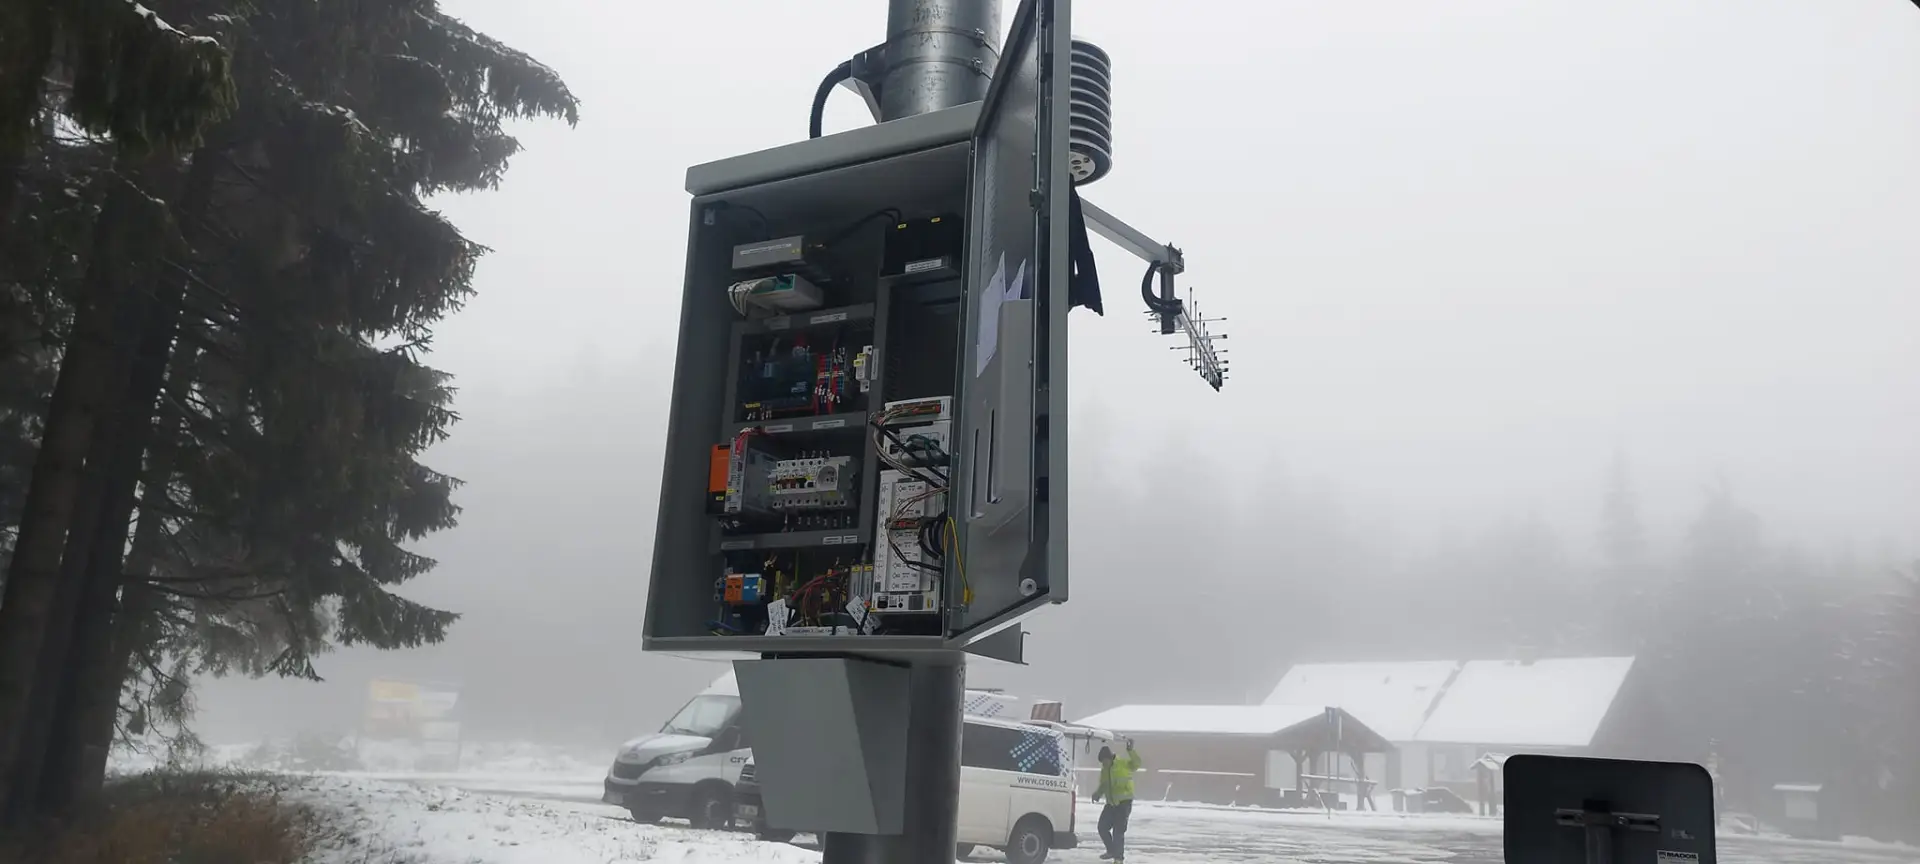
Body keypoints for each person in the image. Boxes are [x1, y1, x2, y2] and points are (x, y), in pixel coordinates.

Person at [1092, 738, 1142, 862]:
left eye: (1104, 761)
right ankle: (1111, 850)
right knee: (1102, 827)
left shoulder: (1122, 763)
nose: (1103, 764)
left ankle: (1118, 859)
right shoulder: (1104, 770)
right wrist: (1097, 794)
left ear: (1109, 758)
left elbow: (1137, 763)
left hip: (1124, 802)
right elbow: (1104, 785)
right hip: (1111, 804)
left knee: (1118, 831)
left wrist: (1130, 750)